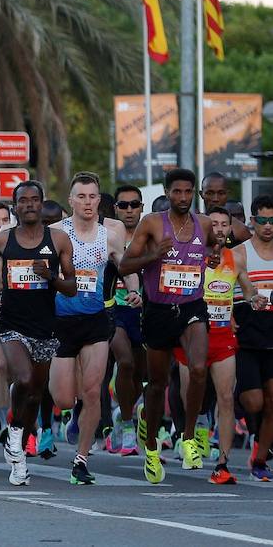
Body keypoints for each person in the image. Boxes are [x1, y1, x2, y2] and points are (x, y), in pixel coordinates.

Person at [120, 168, 217, 483]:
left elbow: (216, 245)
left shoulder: (203, 223)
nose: (183, 197)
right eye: (177, 192)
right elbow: (124, 265)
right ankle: (150, 449)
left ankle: (188, 437)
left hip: (192, 305)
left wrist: (213, 256)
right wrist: (152, 255)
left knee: (199, 369)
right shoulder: (151, 223)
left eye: (188, 192)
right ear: (168, 192)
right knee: (158, 384)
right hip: (158, 310)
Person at [0, 180, 76, 486]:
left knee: (35, 391)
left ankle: (17, 431)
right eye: (23, 201)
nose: (30, 205)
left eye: (35, 200)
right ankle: (18, 458)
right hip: (11, 324)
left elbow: (71, 288)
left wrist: (51, 278)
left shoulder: (58, 240)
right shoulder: (2, 240)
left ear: (42, 203)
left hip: (45, 327)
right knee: (22, 379)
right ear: (14, 206)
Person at [50, 172, 129, 485]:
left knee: (94, 390)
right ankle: (74, 411)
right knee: (63, 399)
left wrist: (133, 288)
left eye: (92, 196)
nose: (87, 202)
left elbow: (122, 264)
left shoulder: (112, 230)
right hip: (61, 322)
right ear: (70, 200)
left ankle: (81, 459)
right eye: (80, 196)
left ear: (100, 199)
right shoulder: (55, 232)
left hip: (96, 320)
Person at [182, 207, 238, 484]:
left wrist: (254, 300)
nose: (218, 228)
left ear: (229, 229)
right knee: (190, 394)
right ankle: (189, 437)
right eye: (213, 223)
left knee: (227, 397)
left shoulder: (235, 256)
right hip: (192, 335)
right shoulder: (192, 256)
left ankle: (223, 463)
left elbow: (246, 290)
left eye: (223, 224)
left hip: (223, 337)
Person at [234, 195, 273, 482]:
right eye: (262, 220)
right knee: (254, 403)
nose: (268, 226)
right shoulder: (240, 253)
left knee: (272, 402)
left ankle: (260, 457)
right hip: (247, 337)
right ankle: (247, 419)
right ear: (252, 220)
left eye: (272, 221)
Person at [109, 184, 147, 456]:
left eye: (135, 205)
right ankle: (127, 425)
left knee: (139, 375)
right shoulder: (108, 237)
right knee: (124, 362)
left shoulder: (150, 237)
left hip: (145, 312)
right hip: (114, 310)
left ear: (142, 208)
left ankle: (126, 411)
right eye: (124, 205)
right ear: (115, 209)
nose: (129, 210)